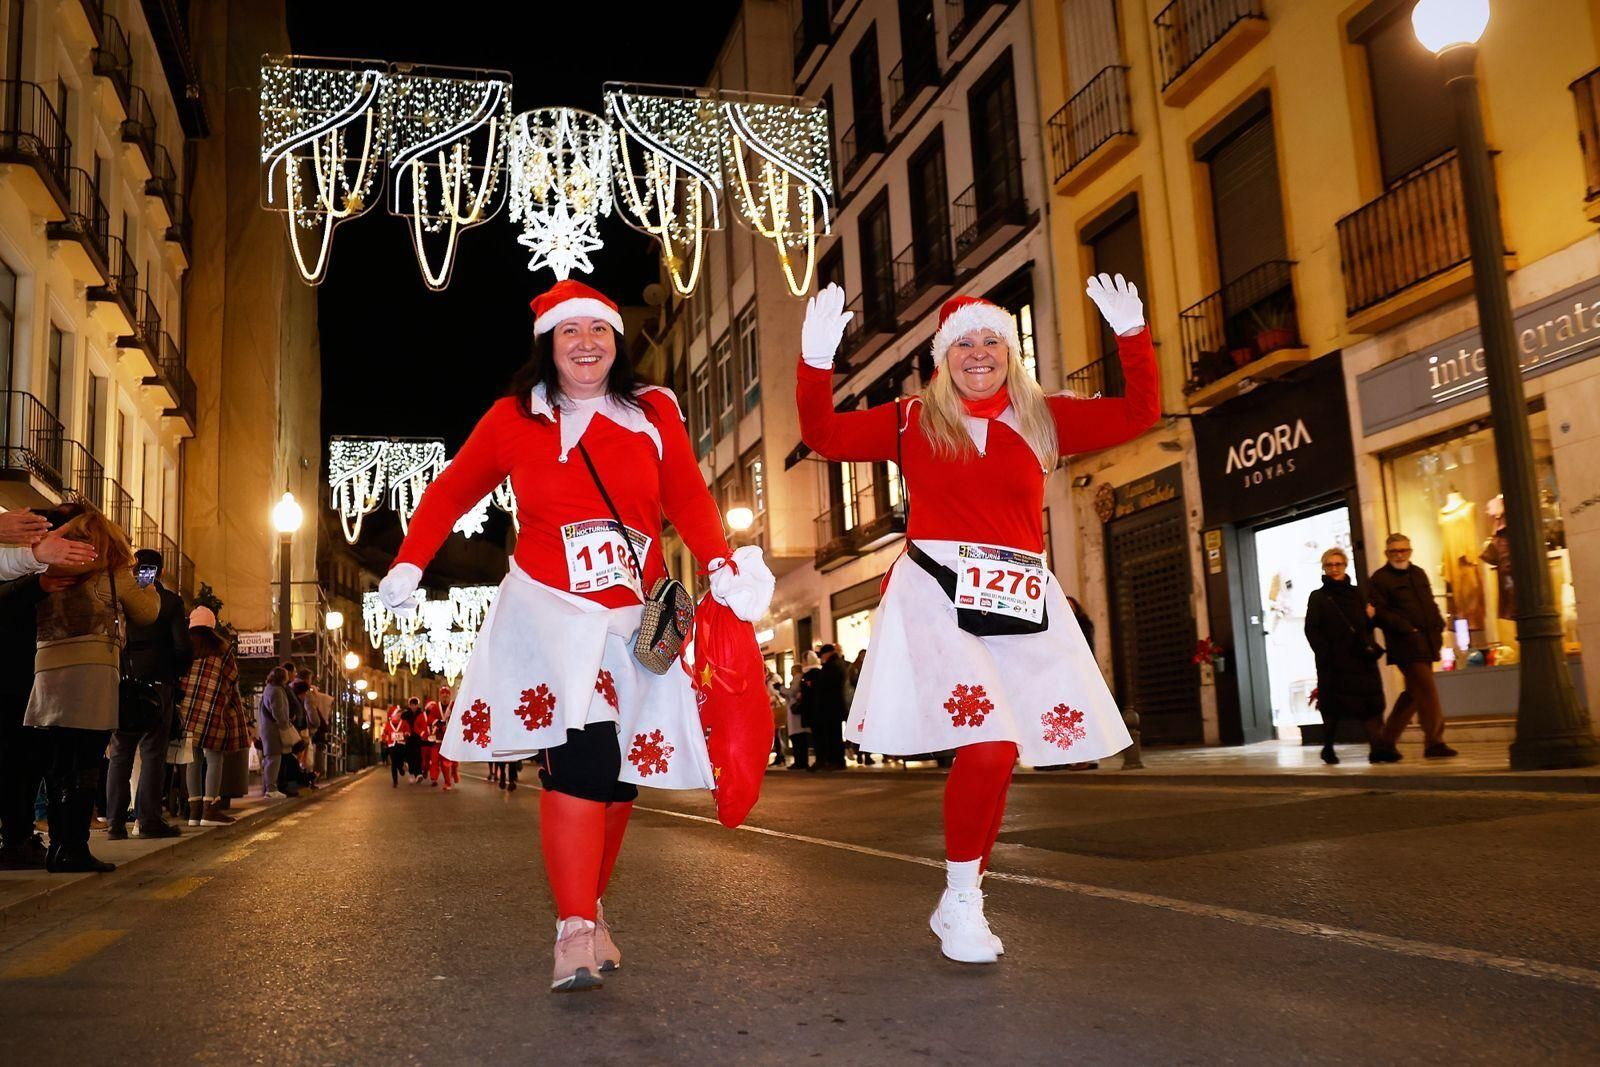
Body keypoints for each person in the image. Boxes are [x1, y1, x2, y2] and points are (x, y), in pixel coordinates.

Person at [377, 279, 773, 992]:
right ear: (548, 344)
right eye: (571, 331)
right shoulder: (513, 417)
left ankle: (589, 908)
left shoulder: (652, 412)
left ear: (616, 342)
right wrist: (408, 562)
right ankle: (571, 928)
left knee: (620, 781)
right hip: (549, 618)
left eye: (599, 329)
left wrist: (722, 563)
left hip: (636, 622)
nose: (586, 342)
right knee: (583, 763)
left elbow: (685, 493)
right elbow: (451, 490)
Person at [795, 276, 1158, 964]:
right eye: (964, 342)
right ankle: (963, 897)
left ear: (1010, 350)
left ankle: (963, 892)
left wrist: (1132, 338)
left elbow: (1141, 412)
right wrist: (815, 364)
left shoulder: (1045, 416)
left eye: (992, 338)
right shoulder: (910, 420)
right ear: (943, 357)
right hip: (937, 593)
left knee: (1006, 750)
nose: (980, 351)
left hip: (1019, 595)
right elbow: (822, 434)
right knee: (988, 743)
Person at [24, 502, 159, 873]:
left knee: (58, 762)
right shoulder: (116, 571)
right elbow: (148, 611)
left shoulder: (50, 566)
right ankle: (75, 848)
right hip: (93, 669)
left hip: (47, 667)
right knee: (85, 762)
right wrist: (147, 582)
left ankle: (57, 847)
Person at [105, 549, 192, 840]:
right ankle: (148, 820)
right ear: (162, 571)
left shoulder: (120, 599)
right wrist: (175, 674)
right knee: (153, 753)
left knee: (120, 753)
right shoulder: (169, 602)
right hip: (158, 683)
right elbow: (182, 648)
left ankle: (115, 823)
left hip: (123, 681)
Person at [1368, 533, 1458, 759]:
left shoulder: (1418, 573)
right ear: (1386, 553)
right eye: (1394, 551)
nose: (1399, 555)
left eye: (1403, 550)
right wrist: (1407, 629)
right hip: (1405, 645)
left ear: (1410, 551)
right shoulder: (1380, 579)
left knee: (1414, 693)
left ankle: (1385, 742)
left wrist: (1438, 625)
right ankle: (1434, 741)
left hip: (1427, 642)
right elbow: (1380, 613)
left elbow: (1429, 602)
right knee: (1427, 690)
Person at [1305, 548, 1392, 765]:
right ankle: (1328, 747)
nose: (1334, 569)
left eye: (1338, 564)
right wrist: (1325, 652)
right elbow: (1311, 629)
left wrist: (1370, 618)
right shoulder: (1318, 596)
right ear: (1324, 568)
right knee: (1333, 705)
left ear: (1345, 566)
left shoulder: (1357, 593)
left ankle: (1376, 748)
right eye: (1329, 565)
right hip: (1334, 661)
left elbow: (1365, 627)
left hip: (1360, 658)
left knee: (1369, 703)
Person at [179, 607, 253, 825]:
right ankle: (210, 810)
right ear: (212, 625)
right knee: (214, 758)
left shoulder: (184, 646)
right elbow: (232, 678)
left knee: (192, 760)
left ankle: (193, 813)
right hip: (214, 709)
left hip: (187, 711)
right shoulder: (222, 648)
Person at [256, 668, 293, 799]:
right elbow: (278, 710)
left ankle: (269, 787)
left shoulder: (269, 688)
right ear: (282, 677)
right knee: (273, 759)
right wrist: (284, 724)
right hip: (273, 730)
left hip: (268, 729)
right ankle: (271, 789)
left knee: (270, 759)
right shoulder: (276, 690)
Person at [811, 644, 848, 770]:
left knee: (834, 735)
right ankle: (835, 760)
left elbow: (828, 685)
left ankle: (836, 761)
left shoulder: (832, 666)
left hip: (831, 706)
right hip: (833, 706)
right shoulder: (835, 664)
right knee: (834, 734)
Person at [383, 706, 408, 787]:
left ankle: (401, 768)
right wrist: (385, 738)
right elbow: (385, 733)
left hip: (401, 744)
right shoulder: (388, 724)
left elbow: (408, 730)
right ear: (393, 715)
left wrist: (407, 733)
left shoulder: (404, 722)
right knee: (394, 762)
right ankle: (395, 781)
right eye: (397, 713)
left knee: (400, 760)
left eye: (399, 713)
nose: (399, 714)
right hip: (392, 745)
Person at [402, 699, 424, 783]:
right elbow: (402, 725)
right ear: (409, 705)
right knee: (410, 757)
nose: (414, 706)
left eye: (415, 704)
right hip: (408, 739)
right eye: (412, 705)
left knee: (418, 756)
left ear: (417, 705)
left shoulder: (421, 714)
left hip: (418, 738)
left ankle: (418, 774)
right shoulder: (405, 715)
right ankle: (411, 773)